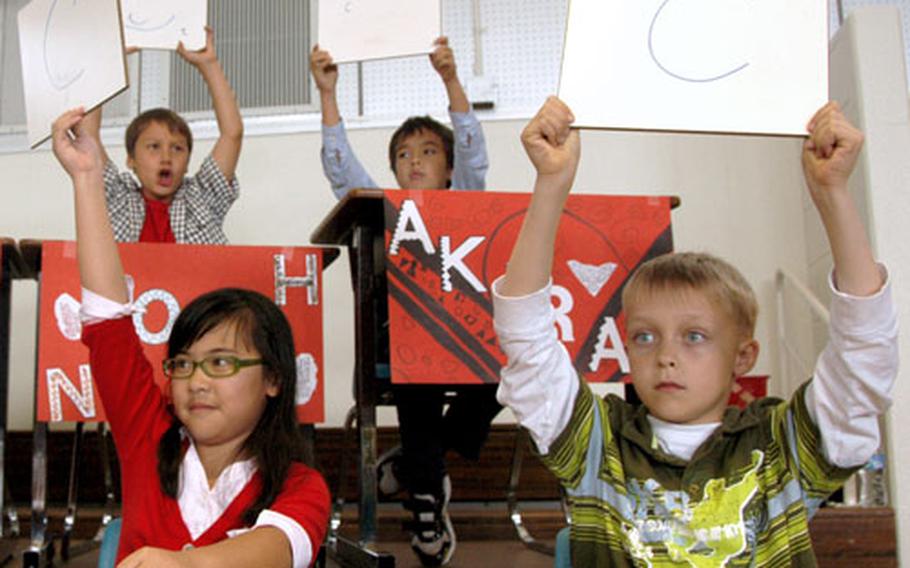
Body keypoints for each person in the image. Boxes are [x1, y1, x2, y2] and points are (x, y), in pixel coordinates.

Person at [492, 97, 898, 566]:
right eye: (645, 337)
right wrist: (550, 184)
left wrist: (833, 194)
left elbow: (863, 355)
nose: (666, 355)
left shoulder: (781, 448)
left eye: (694, 337)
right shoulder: (597, 445)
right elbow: (526, 337)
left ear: (743, 356)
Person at [51, 108, 329, 568]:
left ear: (273, 380)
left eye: (221, 363)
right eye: (183, 364)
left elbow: (279, 548)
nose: (196, 381)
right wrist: (85, 179)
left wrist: (185, 563)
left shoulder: (300, 484)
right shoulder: (148, 437)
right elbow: (108, 321)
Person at [309, 37, 498, 566]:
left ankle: (418, 464)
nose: (414, 161)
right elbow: (340, 166)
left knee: (514, 360)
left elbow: (474, 147)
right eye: (403, 155)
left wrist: (451, 79)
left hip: (469, 341)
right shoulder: (384, 208)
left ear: (451, 170)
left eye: (429, 152)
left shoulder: (468, 195)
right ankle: (423, 498)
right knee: (418, 356)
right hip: (405, 344)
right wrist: (328, 93)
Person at [81, 27, 243, 244]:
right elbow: (87, 136)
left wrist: (209, 65)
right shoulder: (115, 197)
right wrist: (107, 65)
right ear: (131, 160)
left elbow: (232, 134)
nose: (166, 157)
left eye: (177, 148)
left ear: (187, 164)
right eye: (153, 147)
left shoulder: (201, 197)